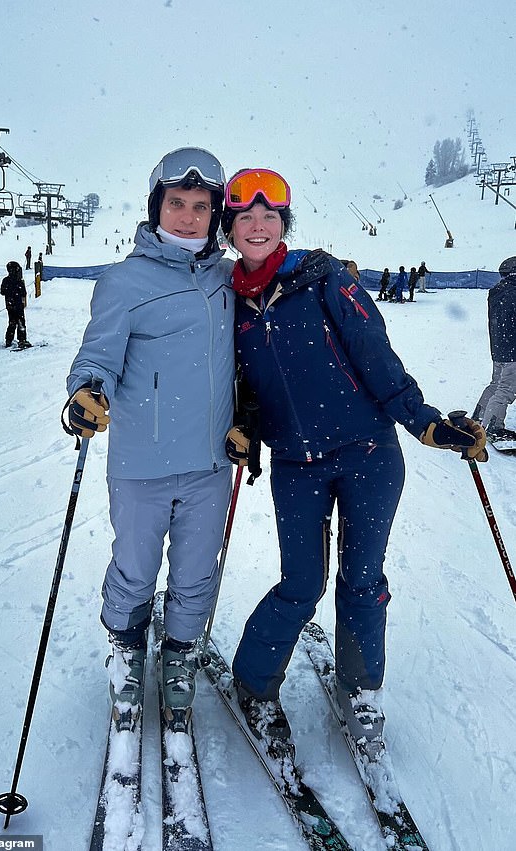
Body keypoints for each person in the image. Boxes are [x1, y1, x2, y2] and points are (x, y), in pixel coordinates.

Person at [220, 167, 487, 749]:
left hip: (368, 455)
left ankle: (362, 690)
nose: (258, 226)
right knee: (301, 584)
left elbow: (377, 359)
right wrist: (242, 426)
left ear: (283, 226)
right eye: (246, 217)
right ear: (230, 229)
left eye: (270, 216)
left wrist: (427, 424)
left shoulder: (325, 282)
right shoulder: (230, 305)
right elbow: (241, 384)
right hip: (296, 464)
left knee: (363, 579)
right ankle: (255, 683)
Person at [65, 147, 235, 734]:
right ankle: (127, 655)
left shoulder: (226, 278)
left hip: (212, 463)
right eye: (177, 204)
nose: (188, 218)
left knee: (195, 573)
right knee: (135, 569)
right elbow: (98, 354)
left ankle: (181, 657)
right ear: (156, 206)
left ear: (216, 214)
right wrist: (88, 391)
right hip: (142, 463)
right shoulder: (123, 281)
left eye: (201, 207)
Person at [472, 256, 516, 440]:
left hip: (499, 347)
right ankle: (492, 426)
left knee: (497, 384)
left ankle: (480, 417)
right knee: (507, 388)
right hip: (513, 348)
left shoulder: (497, 291)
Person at [0, 260, 31, 348]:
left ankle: (8, 340)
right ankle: (22, 340)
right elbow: (23, 293)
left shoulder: (6, 280)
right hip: (18, 305)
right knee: (21, 322)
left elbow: (2, 292)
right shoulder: (19, 281)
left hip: (9, 305)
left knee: (12, 322)